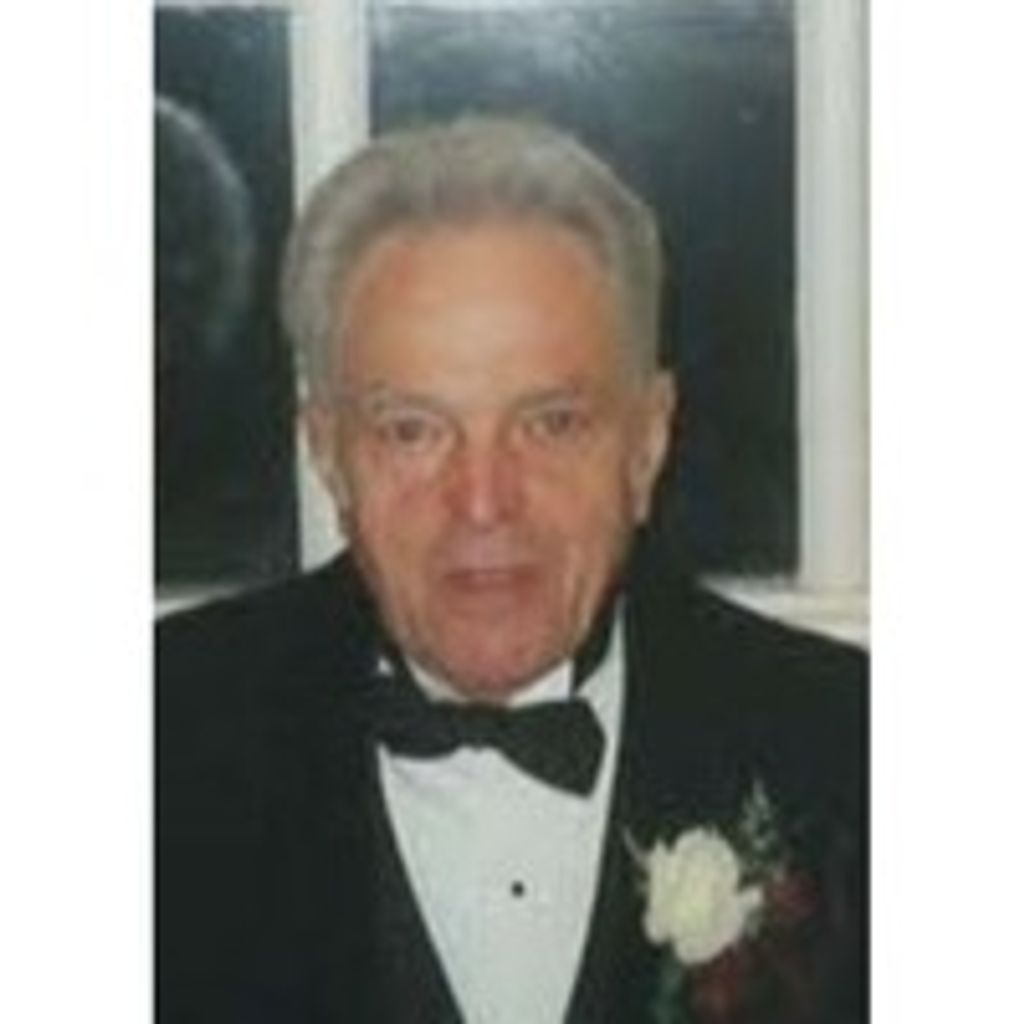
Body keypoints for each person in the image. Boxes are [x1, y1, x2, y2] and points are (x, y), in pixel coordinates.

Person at [158, 116, 866, 1024]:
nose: (483, 501)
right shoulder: (157, 741)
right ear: (326, 452)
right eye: (412, 429)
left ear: (647, 442)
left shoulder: (850, 746)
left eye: (551, 423)